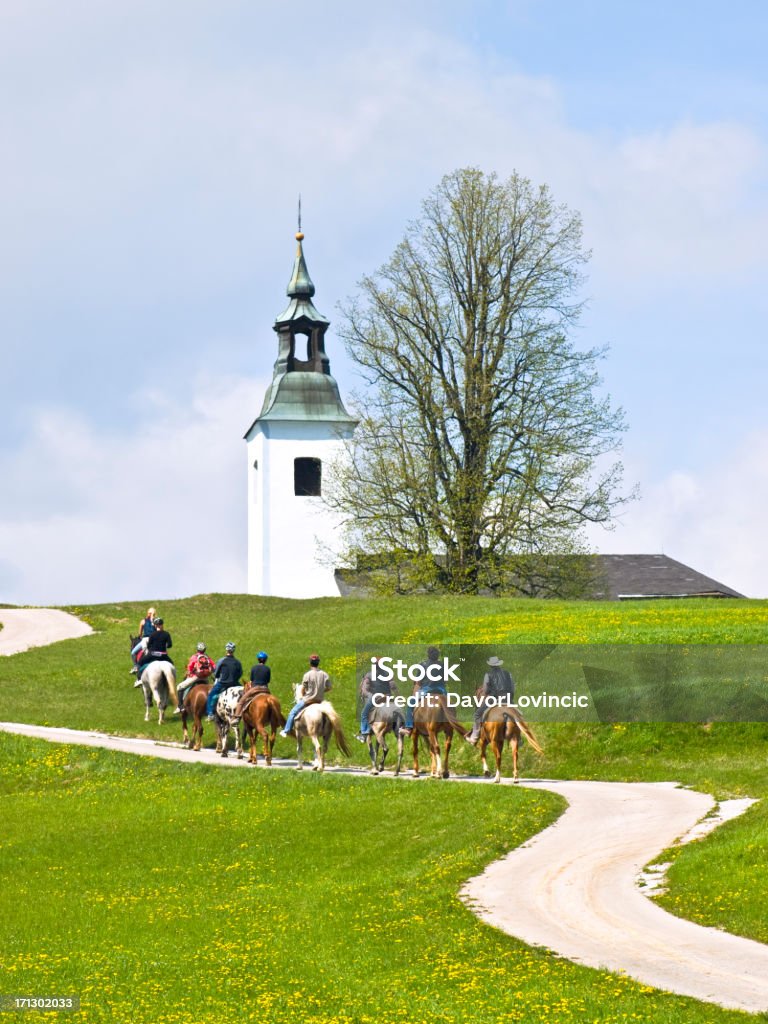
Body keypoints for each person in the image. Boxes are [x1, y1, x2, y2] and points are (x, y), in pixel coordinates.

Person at [465, 655, 516, 745]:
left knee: (477, 714)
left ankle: (474, 737)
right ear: (499, 664)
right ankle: (517, 738)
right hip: (508, 699)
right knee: (517, 715)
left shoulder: (488, 675)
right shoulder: (508, 674)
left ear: (491, 666)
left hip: (494, 699)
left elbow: (485, 690)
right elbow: (512, 688)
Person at [399, 646, 446, 736]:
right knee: (450, 704)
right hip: (441, 690)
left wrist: (414, 694)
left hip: (426, 690)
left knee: (410, 703)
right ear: (437, 655)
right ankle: (452, 722)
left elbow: (418, 682)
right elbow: (445, 680)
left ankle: (408, 727)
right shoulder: (443, 665)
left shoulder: (422, 665)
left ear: (428, 655)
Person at [280, 653, 330, 737]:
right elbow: (329, 688)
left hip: (308, 699)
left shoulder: (307, 674)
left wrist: (303, 695)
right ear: (318, 663)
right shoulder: (324, 674)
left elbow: (303, 689)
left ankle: (287, 730)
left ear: (310, 663)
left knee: (292, 712)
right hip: (320, 700)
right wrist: (321, 691)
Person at [355, 657, 397, 743]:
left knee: (364, 714)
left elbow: (365, 690)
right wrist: (398, 696)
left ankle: (364, 734)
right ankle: (400, 727)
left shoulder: (369, 675)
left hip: (377, 698)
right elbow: (393, 687)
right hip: (388, 697)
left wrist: (370, 696)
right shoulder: (388, 673)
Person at [174, 642, 215, 715]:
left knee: (179, 687)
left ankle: (180, 706)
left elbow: (190, 666)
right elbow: (214, 666)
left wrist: (189, 672)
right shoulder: (207, 657)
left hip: (196, 677)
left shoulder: (194, 657)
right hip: (205, 678)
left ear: (197, 649)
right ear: (205, 650)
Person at [205, 642, 243, 721]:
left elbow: (216, 673)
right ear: (233, 650)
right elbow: (240, 673)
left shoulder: (221, 661)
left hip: (223, 683)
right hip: (234, 683)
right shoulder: (237, 662)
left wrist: (217, 676)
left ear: (226, 650)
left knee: (211, 695)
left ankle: (210, 713)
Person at [233, 651, 271, 719]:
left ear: (258, 659)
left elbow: (252, 680)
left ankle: (237, 717)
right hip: (265, 689)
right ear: (265, 660)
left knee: (241, 701)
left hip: (255, 689)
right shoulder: (267, 669)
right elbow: (268, 681)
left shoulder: (254, 668)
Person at [135, 617, 173, 685]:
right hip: (163, 656)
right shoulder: (167, 634)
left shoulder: (152, 634)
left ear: (155, 625)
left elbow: (149, 645)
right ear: (162, 624)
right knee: (172, 664)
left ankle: (139, 678)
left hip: (153, 655)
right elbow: (170, 645)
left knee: (140, 662)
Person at [130, 606, 157, 673]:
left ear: (148, 613)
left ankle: (136, 666)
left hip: (145, 640)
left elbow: (140, 633)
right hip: (154, 640)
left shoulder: (143, 621)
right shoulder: (156, 621)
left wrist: (140, 636)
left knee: (133, 652)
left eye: (149, 613)